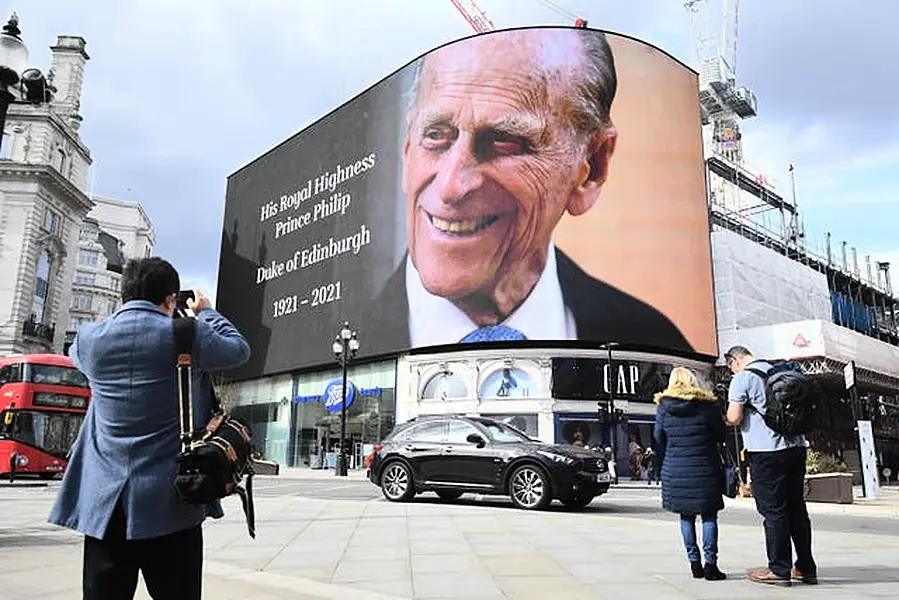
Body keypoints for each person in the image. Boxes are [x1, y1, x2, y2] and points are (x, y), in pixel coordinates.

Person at [365, 28, 691, 353]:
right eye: (435, 135)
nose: (451, 186)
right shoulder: (332, 342)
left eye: (503, 141)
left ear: (591, 166)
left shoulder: (656, 342)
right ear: (407, 151)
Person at [48, 257, 251, 600]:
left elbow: (76, 355)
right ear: (171, 299)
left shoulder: (89, 340)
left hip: (104, 504)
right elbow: (239, 350)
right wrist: (206, 312)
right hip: (172, 500)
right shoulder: (187, 334)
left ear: (122, 297)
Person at [725, 345, 817, 587]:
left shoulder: (743, 378)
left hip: (766, 452)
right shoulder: (780, 372)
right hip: (796, 447)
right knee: (797, 508)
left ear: (734, 361)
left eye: (730, 367)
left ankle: (779, 569)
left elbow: (734, 417)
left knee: (774, 511)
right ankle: (806, 567)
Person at [654, 367, 727, 581]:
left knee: (686, 516)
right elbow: (721, 434)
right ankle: (711, 566)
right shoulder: (708, 406)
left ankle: (694, 563)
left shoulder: (663, 407)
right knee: (709, 515)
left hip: (676, 469)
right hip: (705, 467)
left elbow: (659, 438)